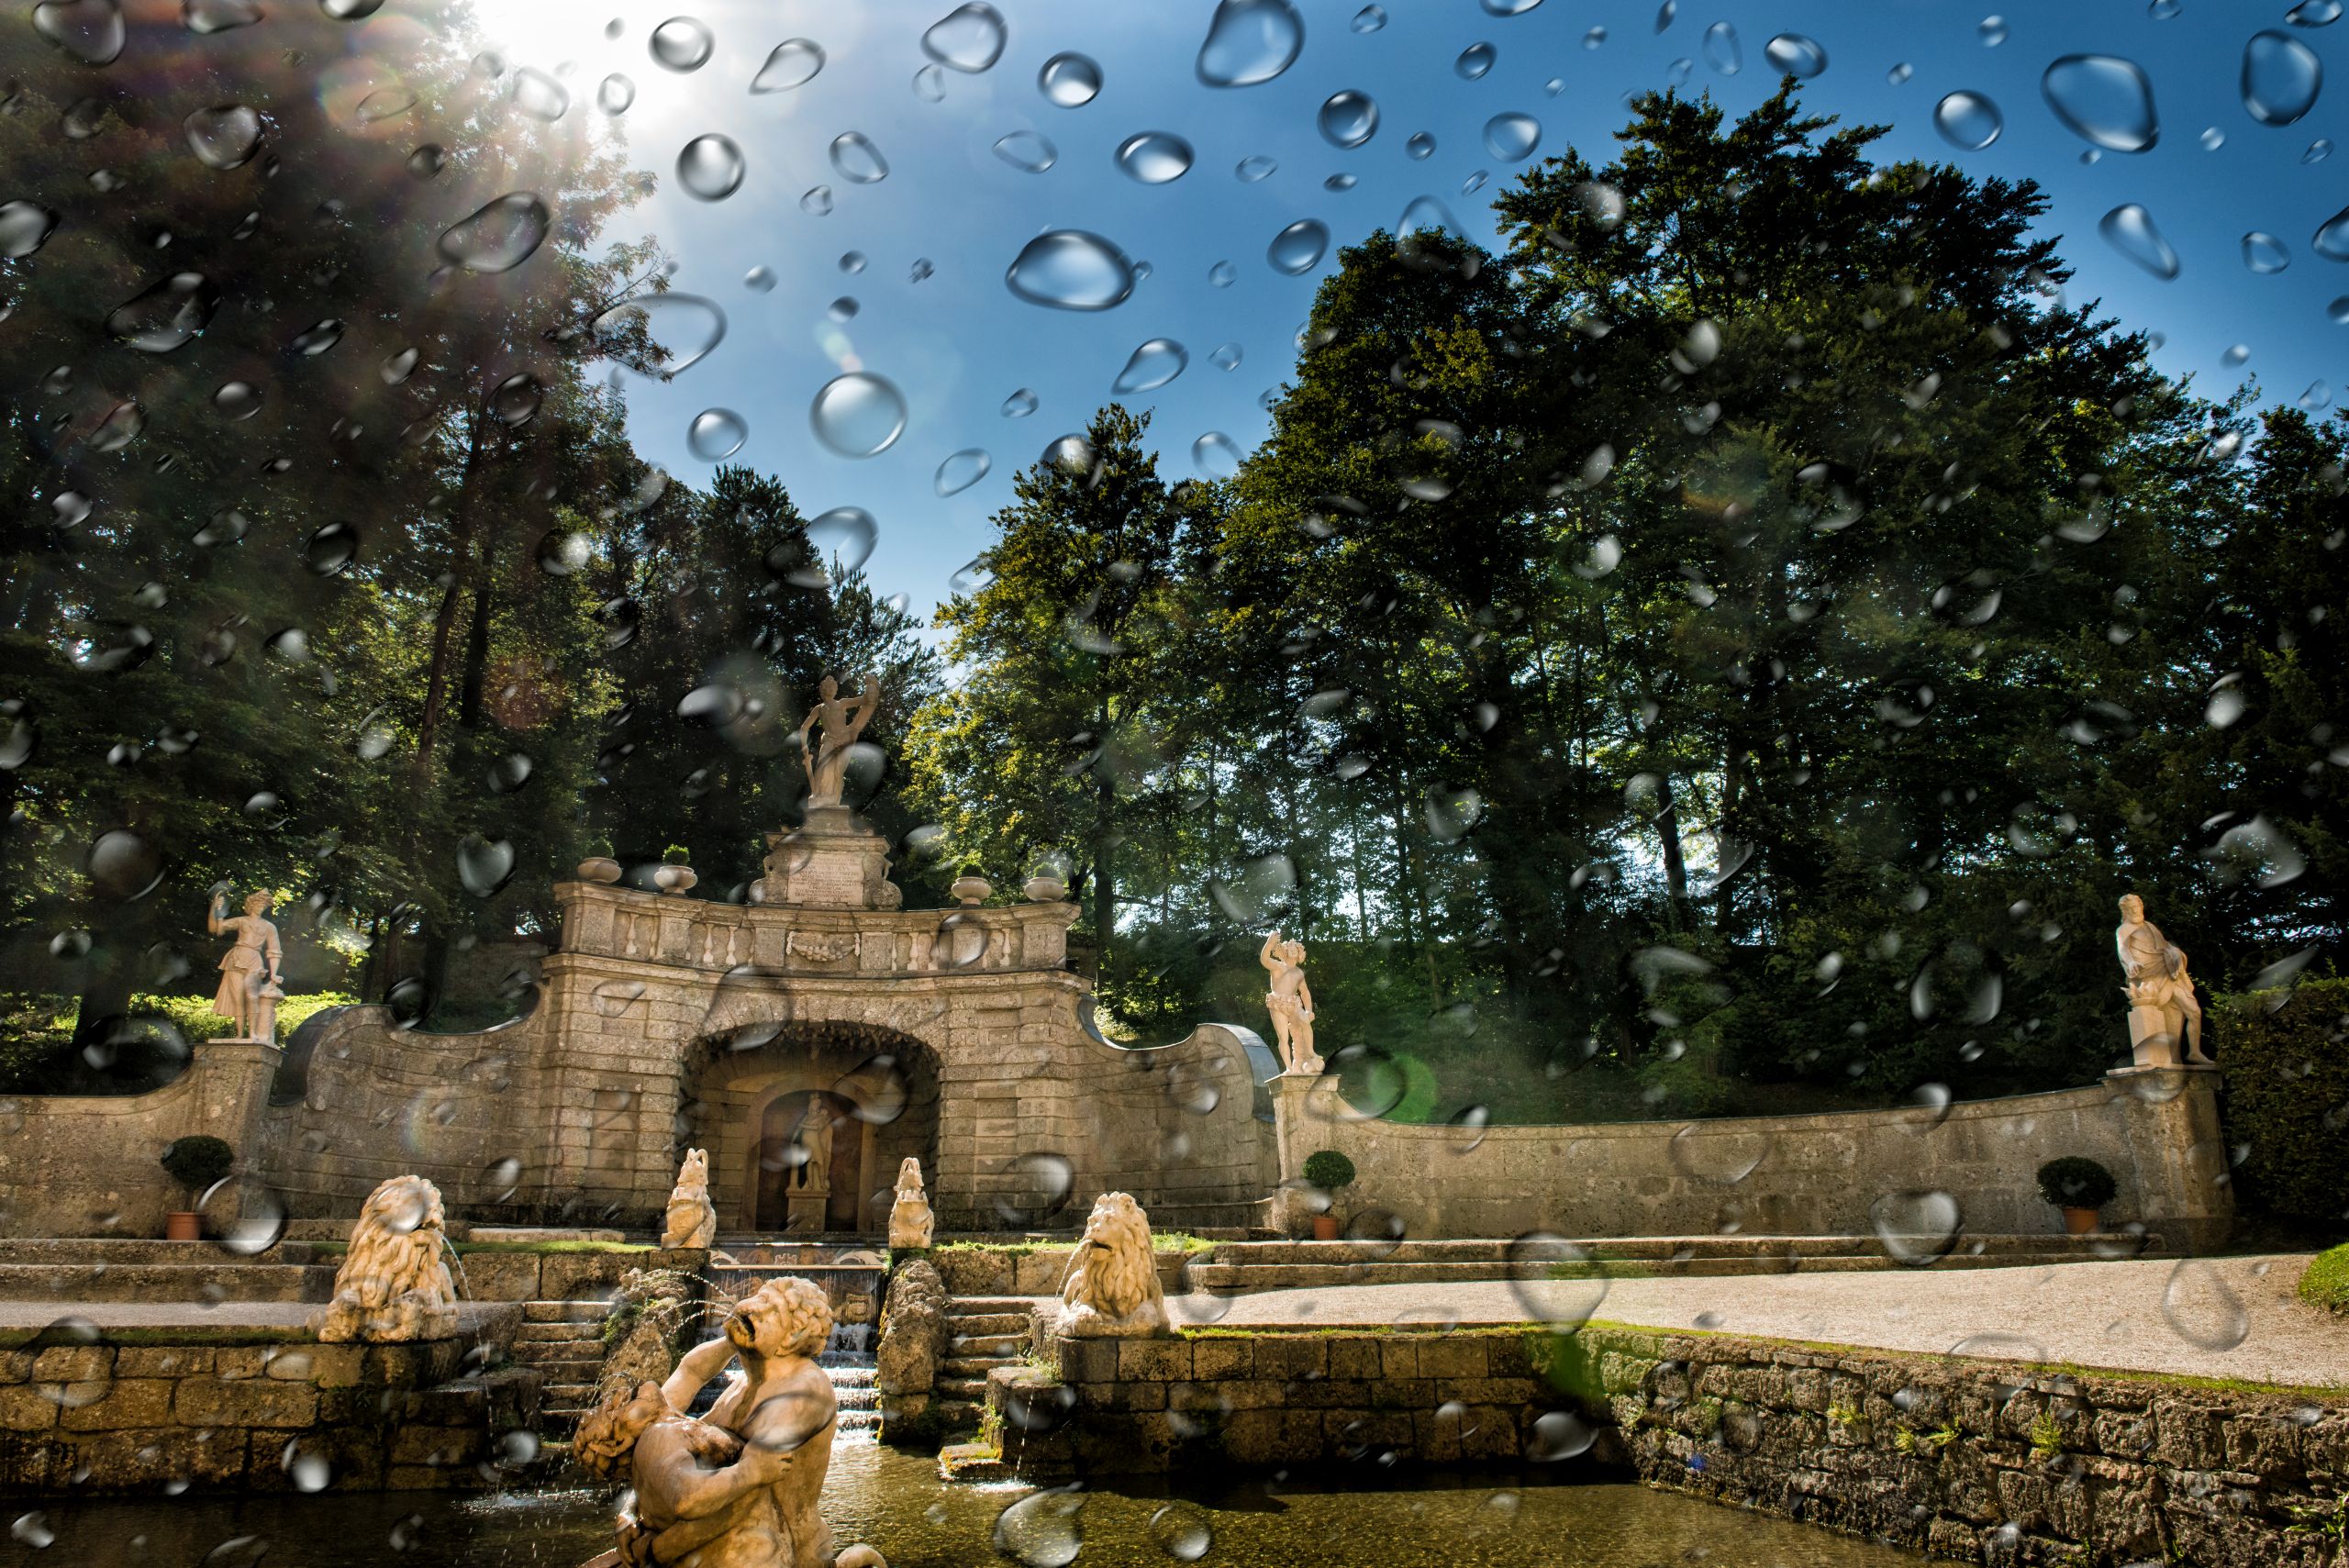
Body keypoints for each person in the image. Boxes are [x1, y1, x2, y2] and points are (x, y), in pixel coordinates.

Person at [2113, 893, 2211, 1065]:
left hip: (2168, 973)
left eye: (2139, 906)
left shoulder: (2149, 926)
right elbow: (2123, 948)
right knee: (2161, 1020)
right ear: (2126, 911)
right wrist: (2130, 963)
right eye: (2133, 908)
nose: (2137, 910)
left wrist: (2174, 953)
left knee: (2194, 1011)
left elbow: (2165, 946)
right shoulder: (2123, 929)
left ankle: (2194, 1052)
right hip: (2149, 977)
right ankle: (2167, 1059)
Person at [207, 889, 284, 1042]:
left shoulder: (269, 927)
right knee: (237, 998)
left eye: (263, 905)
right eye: (258, 903)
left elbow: (274, 952)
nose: (261, 907)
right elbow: (215, 929)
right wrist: (214, 909)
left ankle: (253, 1033)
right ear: (251, 905)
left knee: (252, 996)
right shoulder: (241, 921)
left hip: (254, 961)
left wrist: (274, 973)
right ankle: (240, 1034)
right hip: (236, 958)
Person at [796, 673, 879, 809]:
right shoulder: (819, 708)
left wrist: (872, 687)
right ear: (822, 690)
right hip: (829, 740)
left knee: (838, 771)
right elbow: (804, 728)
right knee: (822, 768)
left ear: (835, 689)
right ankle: (820, 796)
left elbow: (865, 700)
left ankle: (833, 798)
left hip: (844, 740)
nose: (829, 689)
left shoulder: (842, 703)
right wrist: (804, 745)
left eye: (832, 686)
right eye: (826, 687)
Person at [1260, 929, 1320, 1074]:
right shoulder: (1278, 966)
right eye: (1290, 948)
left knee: (1305, 1021)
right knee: (1283, 1036)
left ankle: (1311, 1052)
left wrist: (1309, 1010)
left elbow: (1305, 992)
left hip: (1293, 1003)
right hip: (1278, 1003)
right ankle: (1289, 1067)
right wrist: (1269, 943)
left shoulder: (1299, 973)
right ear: (1284, 951)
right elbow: (1264, 960)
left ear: (1300, 953)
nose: (1293, 950)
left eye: (1296, 948)